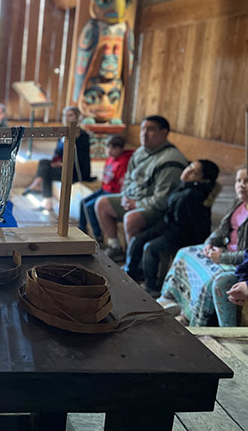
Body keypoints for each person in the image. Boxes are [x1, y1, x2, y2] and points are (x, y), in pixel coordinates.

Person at [158, 167, 248, 326]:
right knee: (185, 253)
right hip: (224, 250)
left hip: (236, 260)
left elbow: (245, 255)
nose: (242, 185)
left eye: (247, 181)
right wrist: (210, 243)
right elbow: (222, 229)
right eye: (239, 181)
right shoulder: (238, 202)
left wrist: (221, 257)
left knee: (209, 279)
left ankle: (194, 320)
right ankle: (171, 300)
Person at [96, 115, 188, 261]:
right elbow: (128, 178)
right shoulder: (140, 152)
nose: (144, 134)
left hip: (156, 207)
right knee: (102, 203)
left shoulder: (170, 160)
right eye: (143, 129)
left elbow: (163, 200)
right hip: (134, 198)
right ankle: (115, 247)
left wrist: (136, 204)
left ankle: (134, 262)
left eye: (150, 129)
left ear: (164, 133)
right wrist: (125, 196)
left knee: (131, 219)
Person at [124, 159, 219, 297]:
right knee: (139, 239)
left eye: (195, 172)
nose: (189, 171)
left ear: (204, 180)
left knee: (151, 247)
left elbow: (191, 226)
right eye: (191, 166)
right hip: (170, 225)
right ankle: (130, 272)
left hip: (182, 234)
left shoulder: (193, 195)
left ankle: (151, 287)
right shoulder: (185, 186)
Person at [24, 106, 94, 210]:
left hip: (74, 170)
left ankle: (43, 195)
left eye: (70, 115)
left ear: (77, 117)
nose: (67, 118)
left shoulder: (82, 135)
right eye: (65, 115)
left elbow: (81, 159)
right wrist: (56, 162)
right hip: (63, 165)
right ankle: (38, 185)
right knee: (44, 162)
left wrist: (63, 163)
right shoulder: (63, 132)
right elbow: (57, 153)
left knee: (46, 171)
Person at [78, 135, 133, 242]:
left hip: (113, 192)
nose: (107, 150)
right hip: (105, 188)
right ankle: (82, 229)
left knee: (90, 206)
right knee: (83, 202)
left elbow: (121, 184)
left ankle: (97, 235)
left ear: (118, 149)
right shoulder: (111, 159)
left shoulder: (123, 162)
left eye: (110, 148)